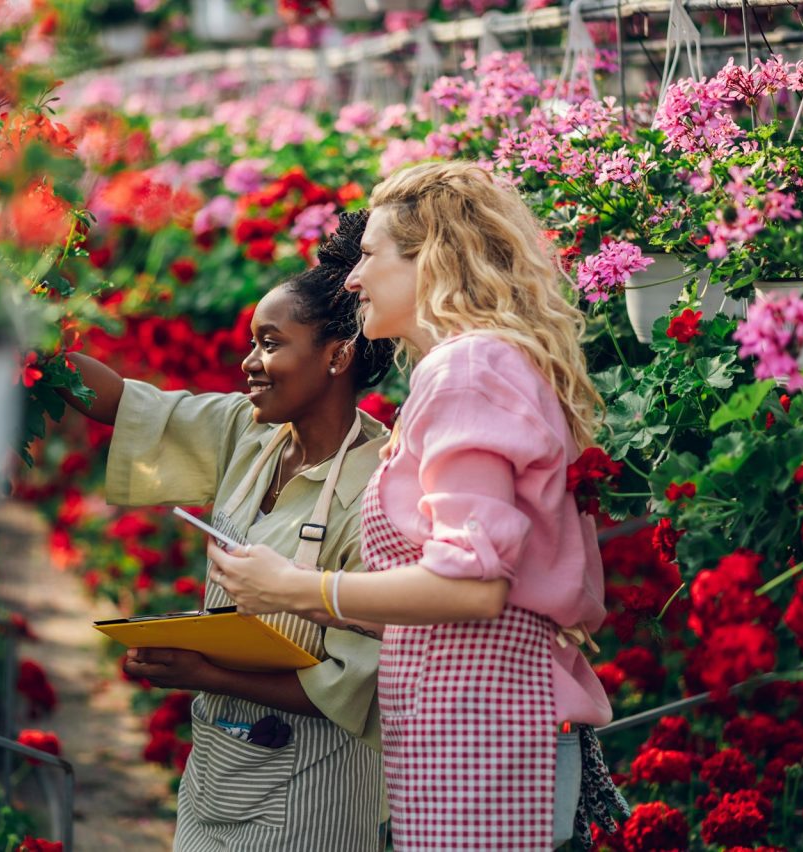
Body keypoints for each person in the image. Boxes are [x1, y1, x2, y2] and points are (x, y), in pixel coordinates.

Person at [210, 161, 629, 850]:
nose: (351, 279)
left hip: (482, 723)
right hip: (472, 724)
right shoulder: (483, 364)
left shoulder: (466, 369)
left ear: (429, 259)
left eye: (370, 256)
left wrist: (298, 588)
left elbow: (473, 585)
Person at [61, 211, 397, 851]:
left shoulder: (378, 488)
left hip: (314, 792)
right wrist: (34, 347)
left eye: (270, 343)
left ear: (337, 355)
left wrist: (202, 669)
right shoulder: (251, 432)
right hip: (220, 765)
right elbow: (126, 403)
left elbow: (355, 686)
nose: (250, 362)